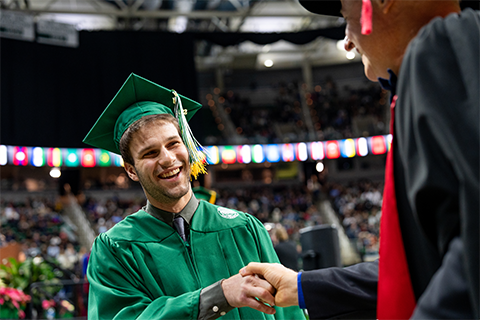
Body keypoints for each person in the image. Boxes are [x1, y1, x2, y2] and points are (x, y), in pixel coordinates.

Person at [241, 0, 479, 319]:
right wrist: (301, 286)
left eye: (345, 16)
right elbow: (419, 271)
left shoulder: (445, 48)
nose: (348, 40)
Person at [83, 73, 305, 320]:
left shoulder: (244, 228)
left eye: (173, 144)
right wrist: (218, 296)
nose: (168, 158)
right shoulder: (115, 249)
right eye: (150, 153)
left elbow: (288, 313)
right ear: (131, 170)